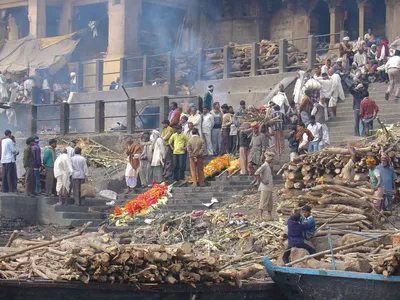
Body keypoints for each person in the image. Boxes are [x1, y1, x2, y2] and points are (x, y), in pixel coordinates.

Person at [255, 152, 274, 221]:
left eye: (271, 157)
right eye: (269, 157)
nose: (270, 158)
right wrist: (262, 181)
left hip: (270, 186)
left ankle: (270, 215)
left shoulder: (269, 166)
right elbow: (256, 173)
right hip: (265, 187)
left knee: (270, 202)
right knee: (263, 201)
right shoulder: (264, 165)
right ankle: (260, 216)